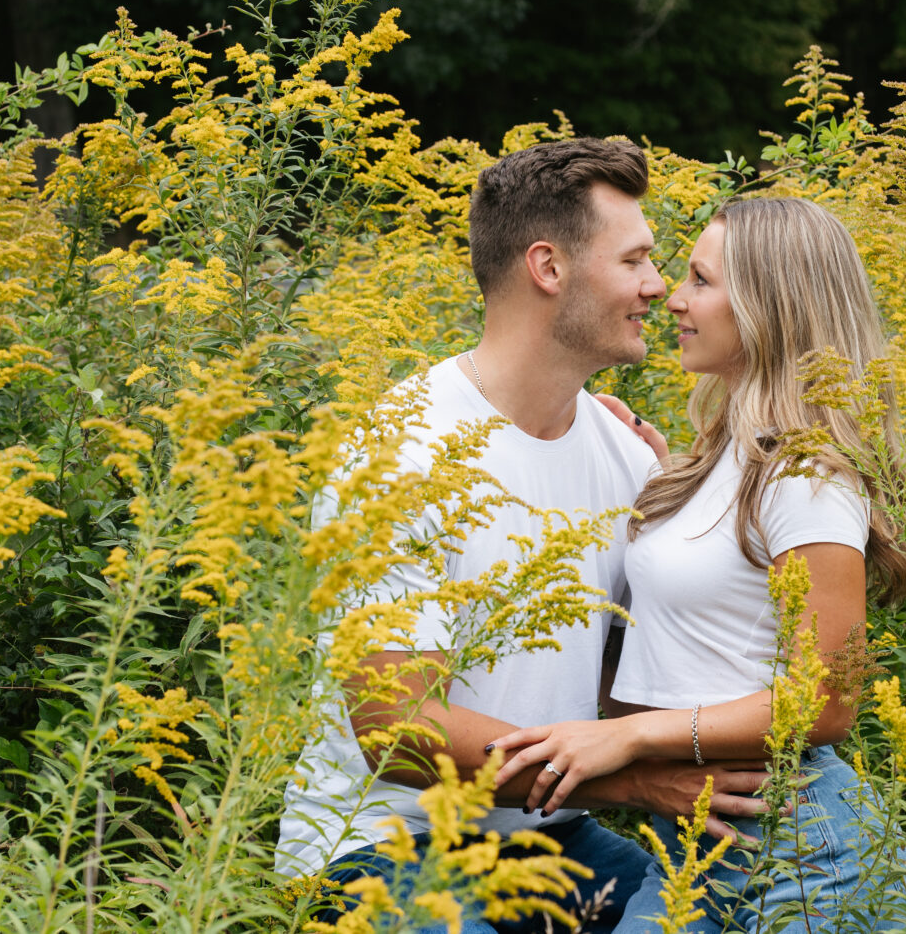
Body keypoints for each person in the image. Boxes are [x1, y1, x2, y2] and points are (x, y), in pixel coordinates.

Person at [277, 138, 771, 930]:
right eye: (637, 260)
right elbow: (394, 729)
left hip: (550, 837)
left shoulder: (623, 459)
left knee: (741, 913)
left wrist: (685, 482)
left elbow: (645, 668)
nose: (658, 288)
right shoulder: (401, 452)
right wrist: (633, 781)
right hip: (378, 844)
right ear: (548, 267)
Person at [488, 196, 906, 933]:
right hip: (697, 845)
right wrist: (652, 475)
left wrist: (627, 737)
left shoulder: (808, 475)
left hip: (803, 847)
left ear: (769, 306)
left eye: (701, 280)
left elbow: (826, 702)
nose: (674, 298)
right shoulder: (720, 461)